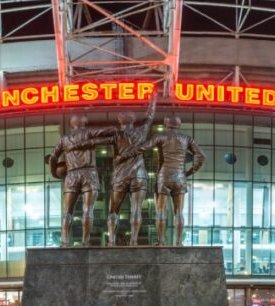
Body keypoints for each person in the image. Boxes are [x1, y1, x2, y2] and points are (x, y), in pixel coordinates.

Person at [119, 116, 205, 246]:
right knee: (179, 212)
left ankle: (161, 241)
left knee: (160, 211)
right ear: (179, 125)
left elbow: (143, 147)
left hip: (164, 176)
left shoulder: (161, 136)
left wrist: (124, 155)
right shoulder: (187, 139)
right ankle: (178, 242)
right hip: (180, 177)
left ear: (166, 124)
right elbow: (201, 156)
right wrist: (189, 172)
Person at [96, 95, 157, 246]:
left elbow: (97, 140)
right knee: (136, 209)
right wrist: (153, 99)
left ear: (120, 121)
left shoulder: (116, 134)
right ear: (133, 120)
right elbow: (150, 116)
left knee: (113, 210)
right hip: (139, 175)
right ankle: (134, 241)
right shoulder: (142, 131)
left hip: (121, 175)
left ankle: (110, 241)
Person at [48, 115, 114, 246]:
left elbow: (52, 158)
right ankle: (85, 241)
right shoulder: (89, 132)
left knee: (67, 211)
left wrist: (54, 173)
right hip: (89, 173)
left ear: (72, 124)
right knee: (88, 210)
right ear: (84, 122)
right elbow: (109, 130)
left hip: (71, 175)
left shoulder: (64, 139)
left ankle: (65, 242)